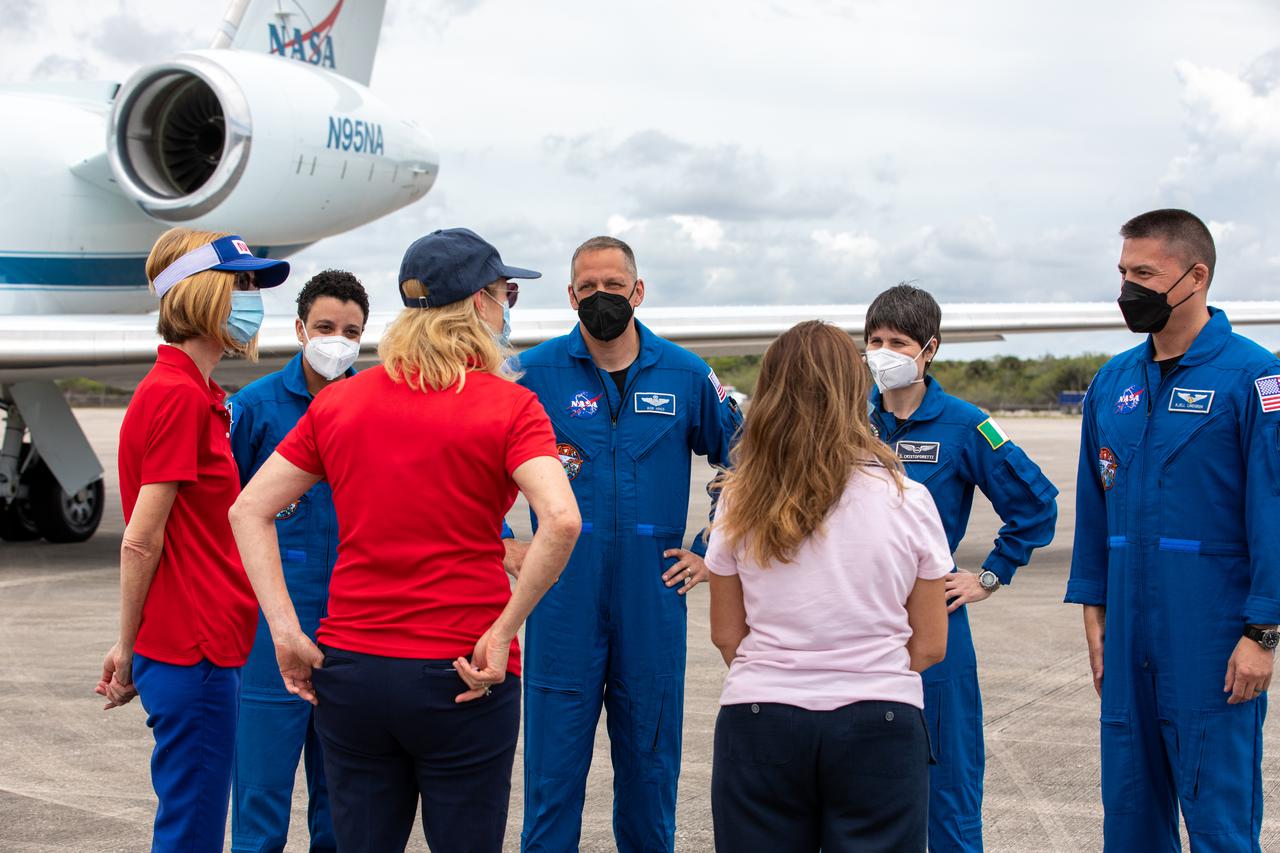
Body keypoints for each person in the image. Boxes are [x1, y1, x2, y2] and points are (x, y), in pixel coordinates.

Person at [228, 228, 581, 853]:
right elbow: (561, 519)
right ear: (477, 304)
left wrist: (285, 632)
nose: (506, 308)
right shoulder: (510, 405)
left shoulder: (340, 403)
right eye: (507, 293)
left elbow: (248, 510)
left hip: (353, 672)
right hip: (461, 673)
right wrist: (503, 631)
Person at [505, 235, 742, 853]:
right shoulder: (530, 373)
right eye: (589, 288)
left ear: (638, 291)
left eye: (614, 286)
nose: (602, 297)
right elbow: (468, 461)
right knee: (553, 777)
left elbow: (749, 458)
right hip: (561, 597)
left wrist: (712, 545)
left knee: (650, 771)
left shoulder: (687, 374)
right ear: (570, 295)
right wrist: (501, 538)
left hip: (653, 596)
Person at [1066, 208, 1279, 851]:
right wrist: (1095, 611)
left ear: (1196, 276)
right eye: (1123, 271)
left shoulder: (1254, 377)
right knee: (1129, 815)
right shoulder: (1113, 382)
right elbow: (1094, 505)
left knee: (1218, 819)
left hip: (1211, 634)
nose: (1128, 287)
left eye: (1144, 273)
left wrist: (1262, 633)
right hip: (1128, 634)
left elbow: (1273, 507)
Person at [706, 320, 950, 852]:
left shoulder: (738, 500)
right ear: (854, 390)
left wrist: (787, 677)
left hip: (759, 719)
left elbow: (727, 634)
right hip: (879, 722)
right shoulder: (910, 500)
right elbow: (931, 644)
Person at [94, 227, 290, 851]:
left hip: (192, 642)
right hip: (193, 645)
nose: (253, 297)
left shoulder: (191, 392)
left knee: (189, 818)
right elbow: (141, 539)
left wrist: (133, 645)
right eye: (243, 284)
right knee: (194, 827)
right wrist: (127, 646)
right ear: (202, 296)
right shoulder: (179, 397)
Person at [863, 284, 1059, 851]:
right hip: (856, 620)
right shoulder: (850, 423)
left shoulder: (966, 425)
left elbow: (1035, 505)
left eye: (897, 342)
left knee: (947, 780)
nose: (883, 353)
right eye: (874, 340)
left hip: (933, 617)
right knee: (862, 785)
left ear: (930, 349)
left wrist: (991, 575)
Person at [227, 270, 370, 853]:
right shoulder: (254, 408)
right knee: (260, 793)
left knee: (343, 797)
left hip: (354, 618)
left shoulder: (373, 407)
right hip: (270, 623)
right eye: (325, 327)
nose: (337, 340)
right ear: (300, 328)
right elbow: (225, 513)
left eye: (352, 330)